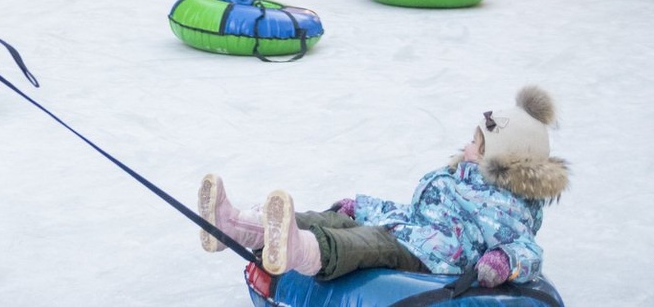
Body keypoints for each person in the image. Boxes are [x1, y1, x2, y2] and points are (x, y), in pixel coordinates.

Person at [197, 86, 569, 290]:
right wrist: (362, 207)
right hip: (408, 231)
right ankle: (235, 224)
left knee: (361, 245)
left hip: (431, 258)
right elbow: (411, 214)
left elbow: (528, 250)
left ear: (499, 159)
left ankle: (298, 250)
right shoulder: (455, 178)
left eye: (477, 143)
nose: (467, 145)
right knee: (330, 219)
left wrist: (502, 262)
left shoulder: (511, 209)